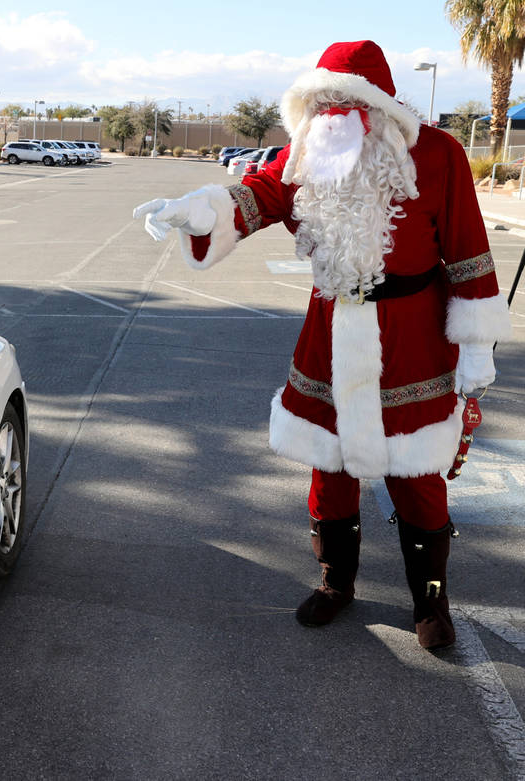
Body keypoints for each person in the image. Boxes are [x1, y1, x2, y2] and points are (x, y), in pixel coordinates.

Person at [133, 40, 513, 649]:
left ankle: (430, 602)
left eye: (347, 101)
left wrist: (475, 348)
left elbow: (468, 251)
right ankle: (337, 582)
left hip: (412, 336)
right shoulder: (305, 155)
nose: (334, 113)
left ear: (380, 106)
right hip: (330, 331)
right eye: (321, 102)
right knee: (328, 466)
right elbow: (256, 196)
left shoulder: (438, 154)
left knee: (416, 474)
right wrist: (195, 211)